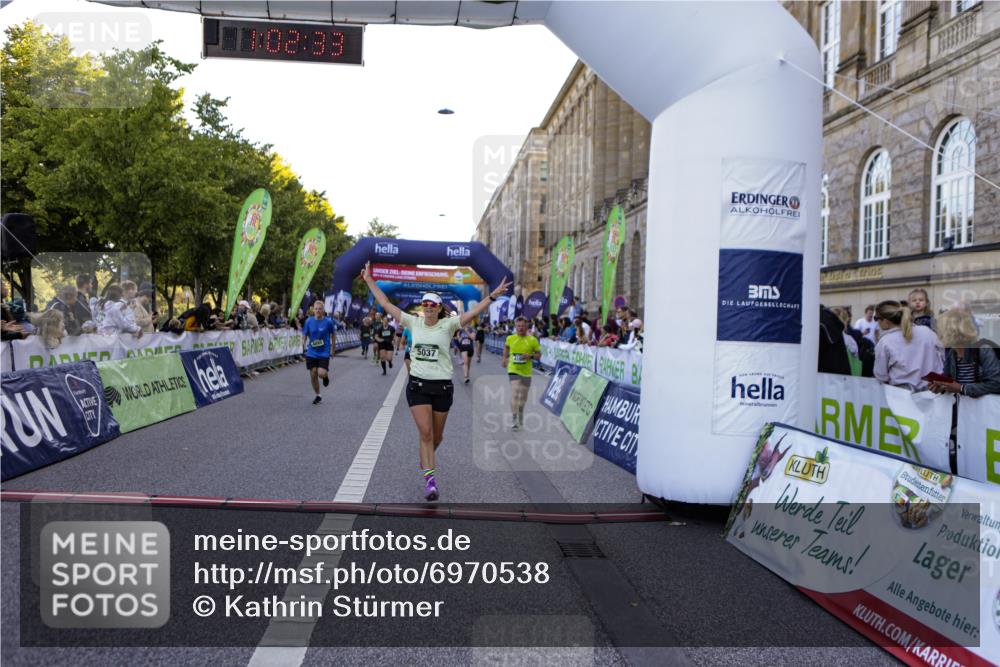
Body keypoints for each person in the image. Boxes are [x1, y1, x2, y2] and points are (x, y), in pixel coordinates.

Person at [361, 261, 509, 501]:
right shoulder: (413, 322)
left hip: (442, 387)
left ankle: (426, 456)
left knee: (436, 438)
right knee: (427, 433)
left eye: (432, 305)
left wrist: (492, 295)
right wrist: (369, 280)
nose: (428, 307)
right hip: (418, 385)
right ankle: (430, 481)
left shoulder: (449, 324)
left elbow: (474, 312)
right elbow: (386, 303)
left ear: (439, 308)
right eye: (425, 304)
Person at [873, 300, 944, 391]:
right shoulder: (927, 332)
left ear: (885, 321)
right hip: (934, 393)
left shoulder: (885, 342)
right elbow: (944, 356)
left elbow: (881, 376)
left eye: (876, 318)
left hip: (902, 397)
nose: (876, 322)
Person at [929, 308, 1000, 398]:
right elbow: (950, 381)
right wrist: (940, 387)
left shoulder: (983, 350)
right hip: (964, 410)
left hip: (984, 411)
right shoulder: (952, 353)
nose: (938, 333)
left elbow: (996, 384)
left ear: (951, 332)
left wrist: (962, 388)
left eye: (940, 330)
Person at [502, 316, 542, 430]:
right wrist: (504, 358)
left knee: (523, 396)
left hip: (526, 371)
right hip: (513, 369)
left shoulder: (532, 340)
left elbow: (539, 356)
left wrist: (531, 356)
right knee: (515, 392)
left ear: (526, 327)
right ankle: (514, 418)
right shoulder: (510, 338)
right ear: (515, 327)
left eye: (523, 326)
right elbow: (506, 347)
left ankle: (520, 410)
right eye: (518, 326)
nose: (520, 328)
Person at [301, 300, 337, 404]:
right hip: (312, 352)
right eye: (316, 309)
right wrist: (302, 342)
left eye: (320, 309)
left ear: (323, 310)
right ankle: (318, 395)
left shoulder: (328, 322)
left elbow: (333, 334)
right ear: (313, 310)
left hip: (324, 352)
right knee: (313, 374)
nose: (317, 310)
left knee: (320, 373)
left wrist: (333, 348)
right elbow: (304, 334)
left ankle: (325, 376)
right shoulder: (308, 321)